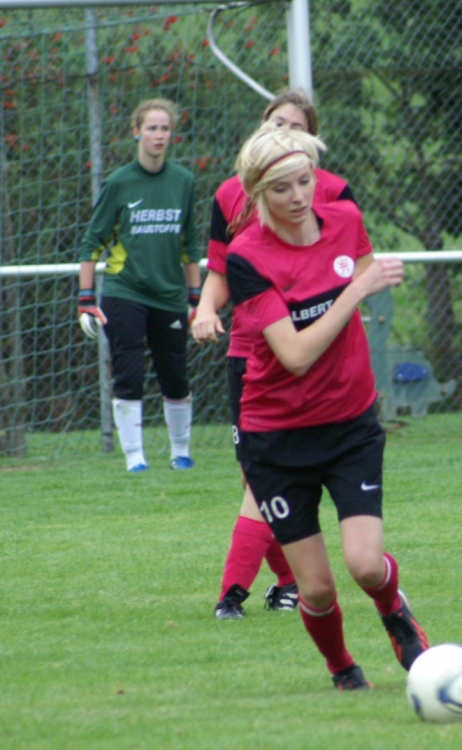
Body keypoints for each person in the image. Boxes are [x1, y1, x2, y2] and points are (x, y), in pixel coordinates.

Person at [225, 123, 429, 690]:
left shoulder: (345, 220)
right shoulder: (247, 257)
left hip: (348, 425)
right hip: (276, 437)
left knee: (365, 564)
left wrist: (361, 285)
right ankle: (343, 669)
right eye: (281, 188)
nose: (298, 197)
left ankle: (394, 610)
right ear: (258, 193)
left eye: (305, 181)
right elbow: (294, 354)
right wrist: (356, 290)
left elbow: (361, 275)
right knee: (315, 589)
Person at [192, 90, 355, 620]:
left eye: (295, 128)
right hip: (251, 354)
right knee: (258, 479)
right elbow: (220, 270)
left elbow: (350, 267)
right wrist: (205, 309)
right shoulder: (230, 194)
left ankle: (239, 593)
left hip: (317, 359)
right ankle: (284, 584)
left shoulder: (333, 194)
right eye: (275, 123)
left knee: (270, 481)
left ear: (312, 145)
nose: (282, 134)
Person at [77, 98, 200, 472]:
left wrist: (196, 298)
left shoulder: (183, 181)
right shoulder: (119, 182)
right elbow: (92, 242)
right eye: (151, 128)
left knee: (175, 375)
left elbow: (189, 244)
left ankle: (180, 452)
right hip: (124, 292)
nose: (159, 135)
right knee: (128, 374)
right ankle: (135, 458)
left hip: (170, 295)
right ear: (136, 132)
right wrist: (85, 298)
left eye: (165, 128)